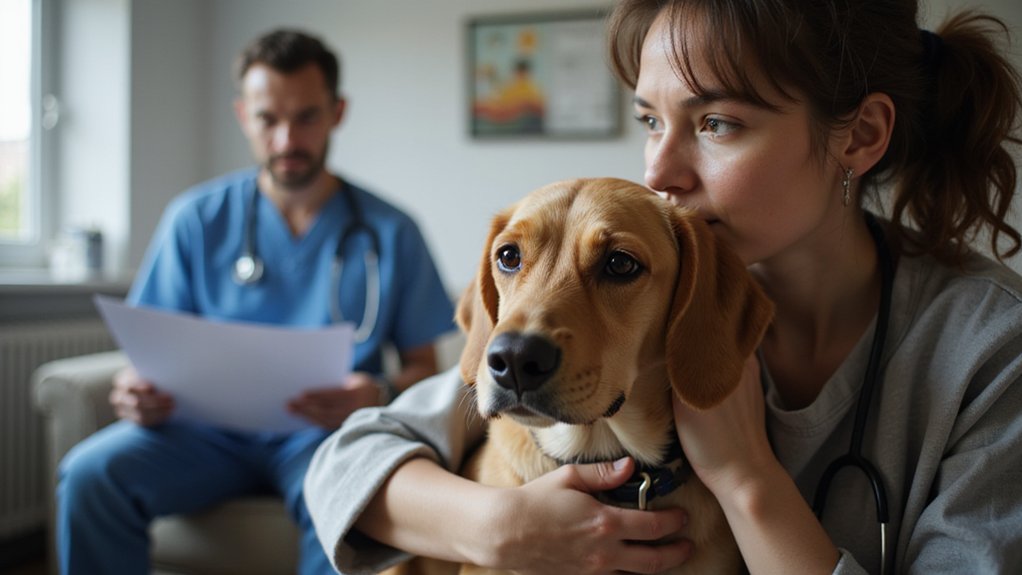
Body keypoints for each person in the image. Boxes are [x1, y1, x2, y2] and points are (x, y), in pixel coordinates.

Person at [305, 0, 1022, 573]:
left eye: (717, 123)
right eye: (651, 119)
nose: (657, 171)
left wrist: (745, 477)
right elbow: (347, 463)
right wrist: (501, 526)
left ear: (860, 135)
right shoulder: (666, 281)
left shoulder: (990, 347)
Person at [56, 28, 455, 575]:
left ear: (337, 113)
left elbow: (424, 369)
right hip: (201, 435)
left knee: (351, 504)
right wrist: (135, 390)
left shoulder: (392, 231)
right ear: (244, 116)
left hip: (328, 435)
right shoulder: (196, 219)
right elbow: (149, 352)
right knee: (90, 475)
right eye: (268, 119)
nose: (287, 139)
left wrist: (378, 391)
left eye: (307, 117)